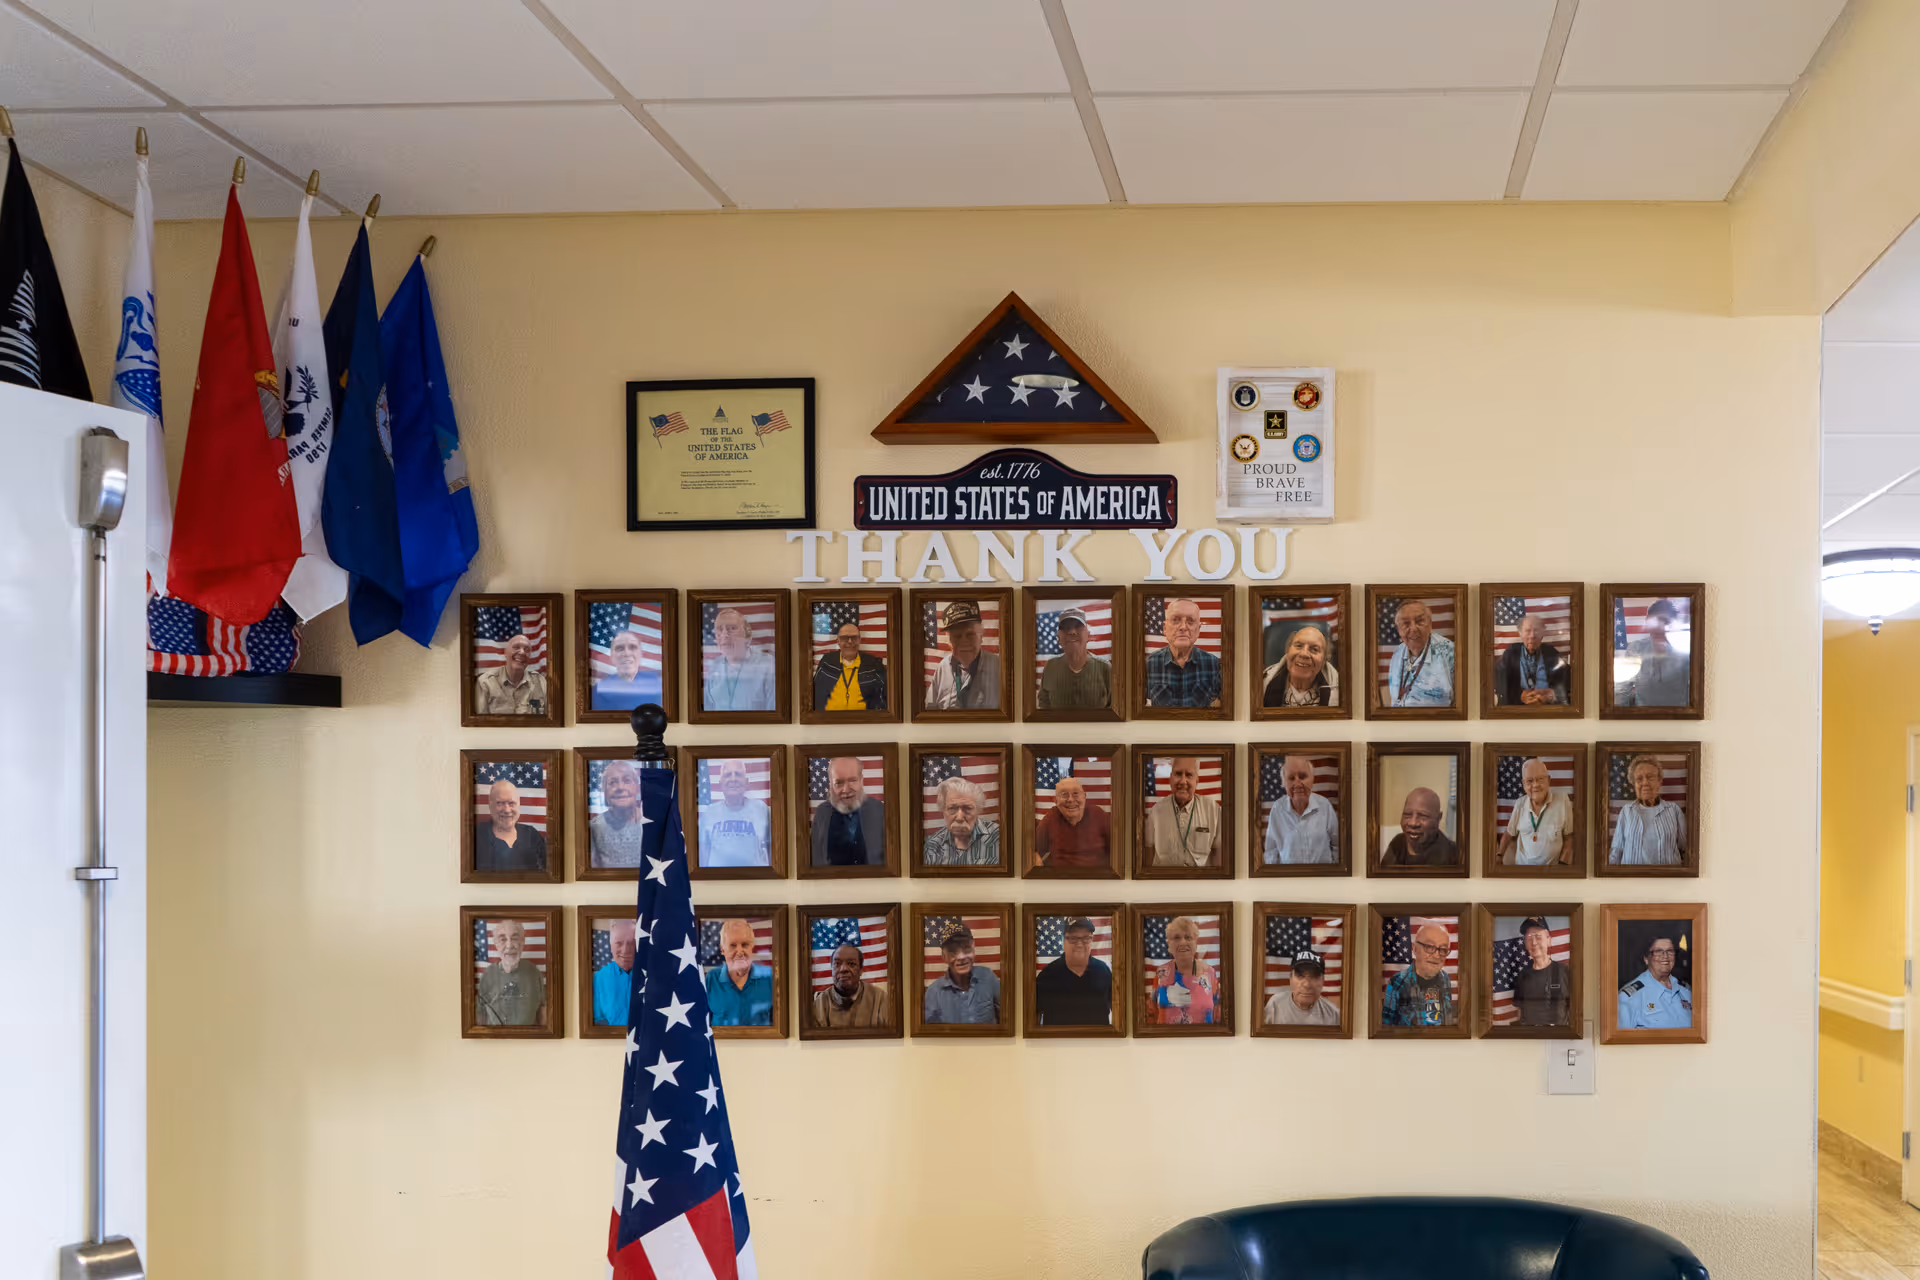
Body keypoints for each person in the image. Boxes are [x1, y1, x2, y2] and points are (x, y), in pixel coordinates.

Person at [1609, 754, 1686, 867]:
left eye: (1650, 777)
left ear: (1659, 781)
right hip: (1630, 877)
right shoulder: (1626, 811)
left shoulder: (1674, 810)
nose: (1645, 783)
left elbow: (1686, 849)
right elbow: (1616, 851)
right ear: (1634, 784)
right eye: (1639, 779)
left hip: (1668, 877)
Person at [1144, 598, 1222, 708]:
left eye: (1190, 621)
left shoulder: (1214, 665)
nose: (1183, 627)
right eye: (1176, 620)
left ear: (1198, 629)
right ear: (1165, 628)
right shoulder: (1147, 665)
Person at [1034, 917, 1112, 1026]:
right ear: (1064, 941)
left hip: (1099, 1037)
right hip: (1058, 1037)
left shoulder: (1103, 971)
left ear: (1091, 940)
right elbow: (1033, 1018)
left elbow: (1117, 1009)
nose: (1079, 944)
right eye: (1073, 938)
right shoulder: (1047, 975)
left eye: (1086, 938)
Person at [1614, 598, 1691, 708]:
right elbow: (1623, 689)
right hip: (1643, 715)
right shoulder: (1635, 648)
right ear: (1647, 620)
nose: (1659, 626)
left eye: (1666, 621)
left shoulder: (1685, 652)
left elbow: (1693, 691)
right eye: (1654, 620)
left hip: (1678, 715)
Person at [1497, 758, 1574, 867]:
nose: (1535, 785)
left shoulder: (1563, 801)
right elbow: (1509, 833)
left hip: (1551, 871)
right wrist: (1499, 856)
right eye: (1530, 781)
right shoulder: (1519, 804)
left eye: (1540, 779)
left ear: (1549, 780)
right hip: (1523, 870)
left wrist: (1562, 866)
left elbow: (1569, 838)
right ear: (1523, 784)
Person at [1262, 754, 1338, 865]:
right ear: (1284, 783)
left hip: (1323, 875)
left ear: (1312, 779)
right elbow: (1271, 852)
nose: (1297, 783)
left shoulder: (1325, 806)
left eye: (1302, 777)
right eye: (1291, 778)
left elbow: (1337, 846)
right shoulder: (1277, 809)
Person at [1146, 756, 1221, 868]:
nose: (1182, 781)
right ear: (1170, 779)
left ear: (1196, 781)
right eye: (1178, 774)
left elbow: (1219, 858)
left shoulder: (1213, 811)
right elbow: (1147, 856)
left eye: (1189, 775)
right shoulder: (1155, 812)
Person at [810, 756, 885, 866]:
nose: (846, 789)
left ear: (861, 780)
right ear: (831, 784)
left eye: (853, 780)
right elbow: (815, 861)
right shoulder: (822, 813)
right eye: (839, 783)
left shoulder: (879, 809)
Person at [927, 600, 1002, 710]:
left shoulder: (1000, 668)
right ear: (949, 641)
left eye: (970, 634)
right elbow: (928, 711)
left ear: (981, 635)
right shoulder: (942, 668)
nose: (963, 642)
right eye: (957, 636)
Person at [697, 758, 773, 868]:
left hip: (756, 877)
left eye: (738, 774)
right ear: (720, 783)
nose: (733, 779)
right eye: (728, 775)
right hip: (716, 877)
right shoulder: (709, 813)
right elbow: (703, 854)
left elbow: (773, 849)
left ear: (746, 782)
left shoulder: (762, 809)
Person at [1379, 920, 1455, 1027]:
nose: (1437, 955)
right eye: (1429, 947)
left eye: (1443, 949)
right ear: (1414, 949)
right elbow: (1387, 1027)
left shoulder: (1445, 979)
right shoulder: (1397, 983)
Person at [924, 923, 1001, 1025]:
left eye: (966, 948)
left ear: (974, 949)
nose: (961, 957)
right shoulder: (933, 992)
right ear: (944, 957)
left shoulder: (989, 977)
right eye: (952, 951)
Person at [703, 606, 777, 712]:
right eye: (720, 629)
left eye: (732, 628)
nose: (724, 635)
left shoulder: (768, 666)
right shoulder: (715, 667)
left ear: (747, 635)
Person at [1383, 600, 1454, 708]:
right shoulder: (1397, 654)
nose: (1413, 628)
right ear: (1398, 629)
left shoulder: (1450, 652)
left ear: (1430, 624)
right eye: (1405, 624)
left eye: (1420, 621)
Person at [704, 918, 774, 1027]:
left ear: (752, 947)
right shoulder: (710, 979)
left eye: (745, 944)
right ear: (722, 949)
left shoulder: (770, 977)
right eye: (733, 945)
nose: (740, 951)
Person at [1151, 915, 1220, 1026]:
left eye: (1188, 937)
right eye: (1177, 938)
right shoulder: (1161, 974)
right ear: (1169, 944)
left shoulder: (1210, 973)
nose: (1183, 942)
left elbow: (1218, 1013)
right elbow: (1152, 1013)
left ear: (1195, 943)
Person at [1037, 608, 1112, 709]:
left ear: (1088, 635)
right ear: (1058, 637)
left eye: (1078, 626)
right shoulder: (1051, 667)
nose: (1072, 632)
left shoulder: (1105, 668)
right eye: (1066, 628)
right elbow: (1044, 705)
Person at [476, 919, 546, 1026]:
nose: (509, 945)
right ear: (496, 944)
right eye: (503, 939)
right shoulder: (487, 975)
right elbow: (480, 1016)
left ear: (522, 942)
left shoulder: (534, 972)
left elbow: (542, 1010)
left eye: (514, 938)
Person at [1033, 775, 1112, 871]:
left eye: (1075, 794)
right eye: (1064, 795)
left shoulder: (1100, 815)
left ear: (1084, 797)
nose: (1070, 800)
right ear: (1055, 800)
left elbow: (1118, 850)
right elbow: (1033, 851)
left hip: (1096, 876)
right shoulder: (1051, 818)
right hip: (1060, 876)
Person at [923, 775, 1001, 867]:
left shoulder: (999, 837)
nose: (959, 817)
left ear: (978, 811)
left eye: (968, 808)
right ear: (943, 811)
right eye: (952, 808)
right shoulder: (932, 846)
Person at [1618, 934, 1692, 1029]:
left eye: (1670, 951)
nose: (1665, 956)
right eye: (1658, 952)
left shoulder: (1686, 991)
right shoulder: (1629, 998)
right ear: (1646, 959)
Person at [812, 619, 887, 712]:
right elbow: (814, 692)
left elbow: (886, 697)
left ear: (859, 640)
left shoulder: (874, 664)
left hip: (864, 719)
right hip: (828, 718)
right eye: (845, 638)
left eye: (854, 638)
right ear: (838, 641)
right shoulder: (827, 661)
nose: (850, 641)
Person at [1494, 613, 1569, 706]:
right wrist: (1520, 696)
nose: (1532, 636)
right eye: (1528, 631)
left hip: (1546, 707)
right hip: (1518, 708)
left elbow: (1567, 680)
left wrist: (1552, 695)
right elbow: (1500, 684)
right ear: (1520, 633)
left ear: (1543, 633)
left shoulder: (1552, 653)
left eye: (1536, 630)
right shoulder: (1510, 653)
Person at [811, 942, 890, 1029]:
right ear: (832, 969)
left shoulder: (880, 1000)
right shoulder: (819, 1005)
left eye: (851, 964)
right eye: (837, 964)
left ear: (861, 970)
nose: (843, 969)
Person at [475, 778, 547, 873]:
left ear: (519, 805)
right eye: (500, 803)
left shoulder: (532, 835)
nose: (507, 810)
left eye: (511, 803)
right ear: (490, 806)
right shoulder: (474, 837)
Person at [1261, 623, 1339, 708]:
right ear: (1288, 651)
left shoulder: (1340, 693)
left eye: (1314, 649)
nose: (1304, 654)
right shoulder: (1262, 684)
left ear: (1324, 660)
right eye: (1298, 646)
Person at [1380, 786, 1459, 867]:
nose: (1413, 823)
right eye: (1407, 815)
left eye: (1423, 816)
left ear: (1438, 817)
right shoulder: (1398, 842)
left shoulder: (1453, 855)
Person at [588, 760, 646, 869]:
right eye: (612, 782)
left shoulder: (655, 823)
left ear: (637, 788)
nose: (620, 787)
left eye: (627, 780)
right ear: (605, 791)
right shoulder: (594, 826)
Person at [1513, 917, 1571, 1027]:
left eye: (1538, 937)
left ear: (1549, 940)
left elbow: (1575, 1010)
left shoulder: (1565, 972)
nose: (1534, 943)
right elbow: (1520, 1013)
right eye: (1529, 938)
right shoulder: (1523, 976)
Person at [474, 633, 548, 716]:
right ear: (505, 653)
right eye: (516, 647)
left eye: (526, 649)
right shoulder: (486, 682)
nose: (522, 652)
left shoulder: (541, 682)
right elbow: (479, 722)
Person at [1263, 949, 1339, 1026]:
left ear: (1322, 980)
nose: (1307, 984)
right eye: (1300, 975)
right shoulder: (1275, 1005)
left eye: (1314, 976)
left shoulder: (1333, 1014)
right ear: (1290, 978)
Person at [592, 628, 662, 711]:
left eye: (633, 647)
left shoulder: (659, 684)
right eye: (619, 648)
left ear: (640, 654)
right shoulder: (598, 691)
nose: (627, 653)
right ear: (612, 656)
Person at [591, 919, 636, 1027]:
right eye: (619, 943)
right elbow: (597, 1023)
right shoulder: (599, 978)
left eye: (631, 943)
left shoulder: (654, 975)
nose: (625, 951)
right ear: (611, 945)